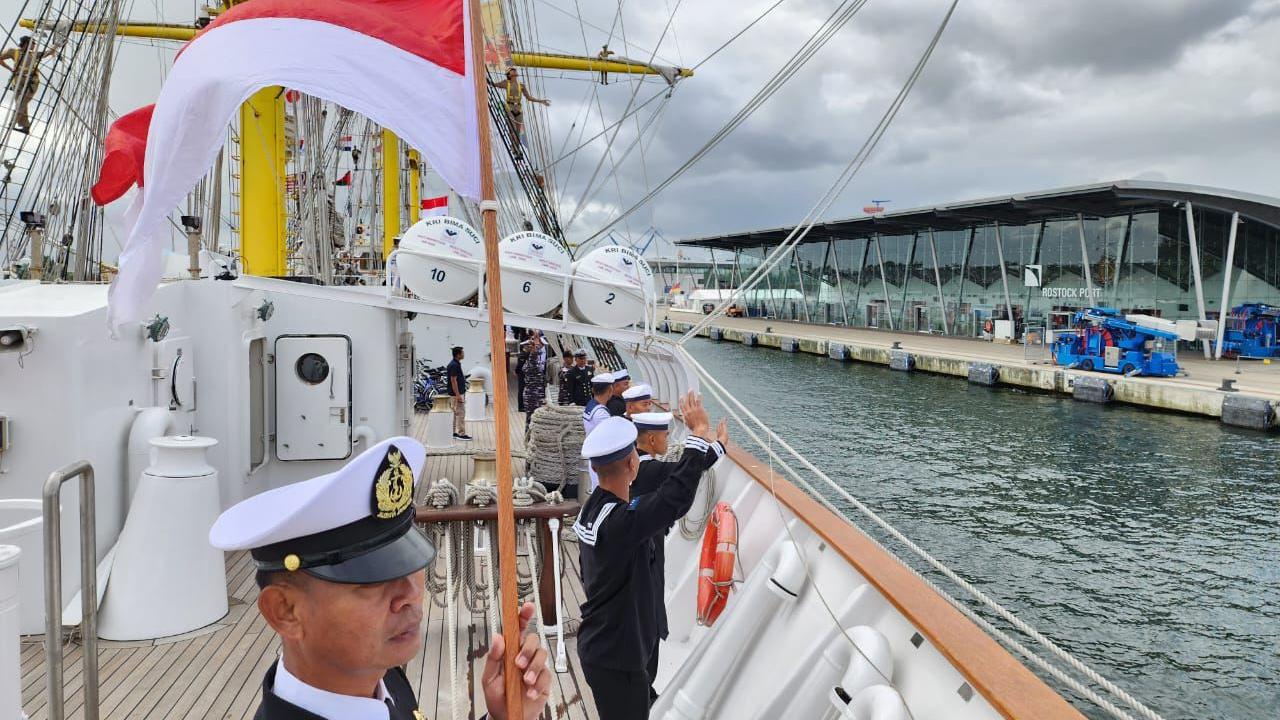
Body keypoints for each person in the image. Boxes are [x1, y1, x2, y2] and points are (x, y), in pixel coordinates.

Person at [208, 436, 552, 720]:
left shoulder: (376, 675)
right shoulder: (368, 670)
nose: (409, 594)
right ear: (285, 611)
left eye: (407, 565)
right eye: (370, 580)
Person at [573, 395, 715, 720]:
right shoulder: (620, 523)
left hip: (605, 646)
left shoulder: (594, 509)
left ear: (595, 468)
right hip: (618, 657)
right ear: (632, 464)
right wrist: (699, 432)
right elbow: (673, 499)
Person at [630, 412, 727, 702]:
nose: (667, 439)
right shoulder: (649, 472)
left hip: (641, 560)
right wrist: (718, 443)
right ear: (650, 439)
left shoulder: (636, 467)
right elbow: (690, 470)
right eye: (664, 435)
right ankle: (643, 696)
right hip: (646, 564)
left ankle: (643, 691)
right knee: (648, 627)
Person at [0, 36, 56, 134]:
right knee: (22, 104)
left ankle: (13, 122)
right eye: (33, 43)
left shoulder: (34, 54)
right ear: (27, 43)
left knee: (21, 102)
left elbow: (47, 53)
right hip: (17, 82)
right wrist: (9, 68)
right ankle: (25, 126)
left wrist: (56, 45)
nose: (35, 45)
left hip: (31, 82)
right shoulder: (13, 52)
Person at [486, 67, 550, 142]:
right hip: (509, 107)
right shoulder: (506, 83)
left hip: (519, 109)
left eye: (514, 70)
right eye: (512, 70)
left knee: (518, 132)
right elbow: (494, 84)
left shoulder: (521, 85)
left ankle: (517, 148)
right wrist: (487, 80)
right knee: (512, 129)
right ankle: (513, 146)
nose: (515, 71)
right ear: (509, 74)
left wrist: (541, 101)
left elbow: (529, 97)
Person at [520, 331, 547, 432]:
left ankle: (531, 438)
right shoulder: (532, 359)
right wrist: (534, 345)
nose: (541, 347)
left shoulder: (535, 359)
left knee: (535, 419)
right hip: (532, 394)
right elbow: (533, 358)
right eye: (540, 345)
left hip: (536, 393)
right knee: (531, 419)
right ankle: (529, 440)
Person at [447, 346, 471, 441]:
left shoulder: (455, 364)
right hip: (456, 394)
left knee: (454, 413)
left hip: (455, 393)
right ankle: (461, 433)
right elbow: (453, 380)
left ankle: (453, 432)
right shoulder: (454, 365)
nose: (463, 354)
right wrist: (457, 395)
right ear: (458, 354)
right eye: (462, 353)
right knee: (460, 413)